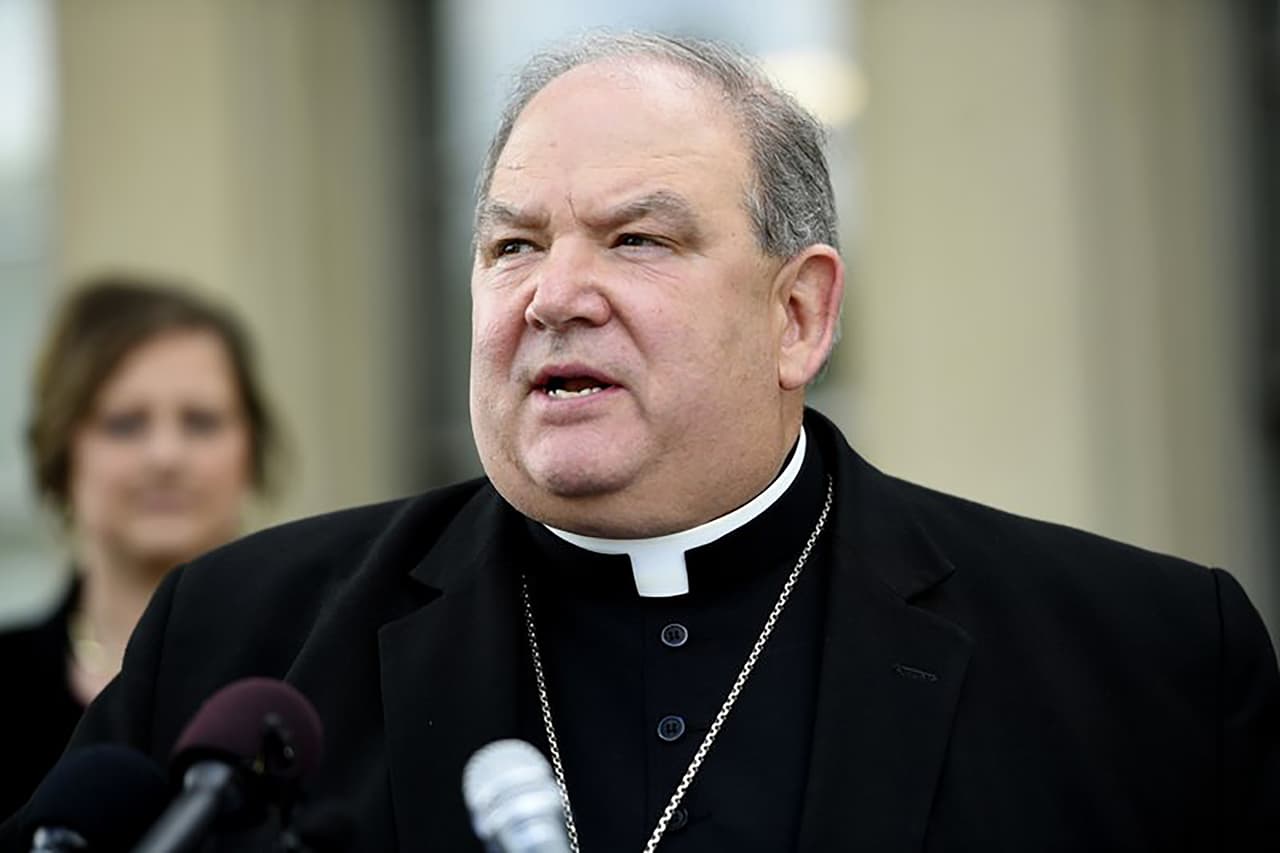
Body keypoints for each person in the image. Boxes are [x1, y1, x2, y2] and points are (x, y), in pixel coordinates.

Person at [3, 31, 1278, 851]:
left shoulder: (1147, 663)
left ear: (796, 314)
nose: (553, 294)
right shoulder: (239, 644)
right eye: (512, 244)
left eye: (637, 239)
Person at [0, 276, 279, 821]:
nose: (165, 455)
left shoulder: (317, 672)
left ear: (250, 449)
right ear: (61, 451)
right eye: (124, 424)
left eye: (201, 421)